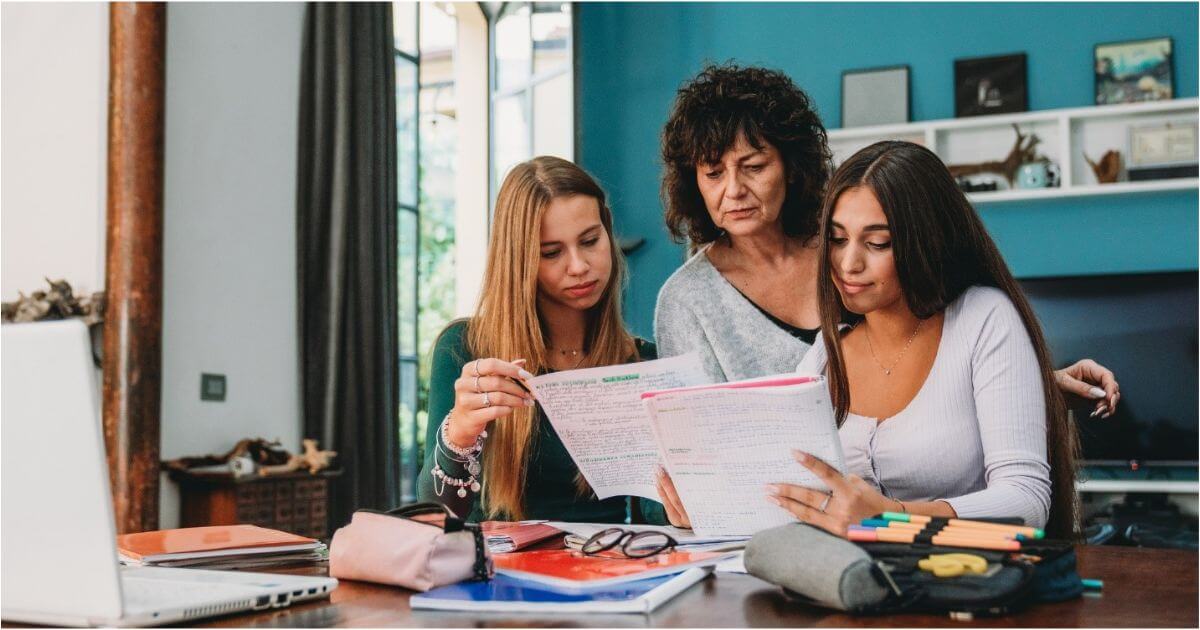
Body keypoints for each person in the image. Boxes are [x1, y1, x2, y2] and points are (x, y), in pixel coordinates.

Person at [659, 141, 1078, 537]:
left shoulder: (982, 318)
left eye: (878, 243)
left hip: (964, 580)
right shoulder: (828, 349)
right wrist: (710, 505)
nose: (848, 263)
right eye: (837, 240)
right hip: (848, 587)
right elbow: (783, 488)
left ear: (925, 242)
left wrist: (891, 518)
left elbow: (1027, 501)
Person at [653, 63, 1119, 404]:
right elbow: (696, 437)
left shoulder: (852, 241)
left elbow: (944, 338)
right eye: (713, 173)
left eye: (753, 167)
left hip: (907, 488)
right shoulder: (685, 300)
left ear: (791, 167)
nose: (733, 190)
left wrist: (1033, 380)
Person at [417, 156, 663, 524]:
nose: (579, 265)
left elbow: (654, 516)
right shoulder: (466, 349)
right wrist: (460, 434)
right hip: (500, 570)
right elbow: (440, 512)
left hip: (609, 567)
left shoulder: (642, 361)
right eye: (551, 252)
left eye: (591, 241)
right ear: (520, 260)